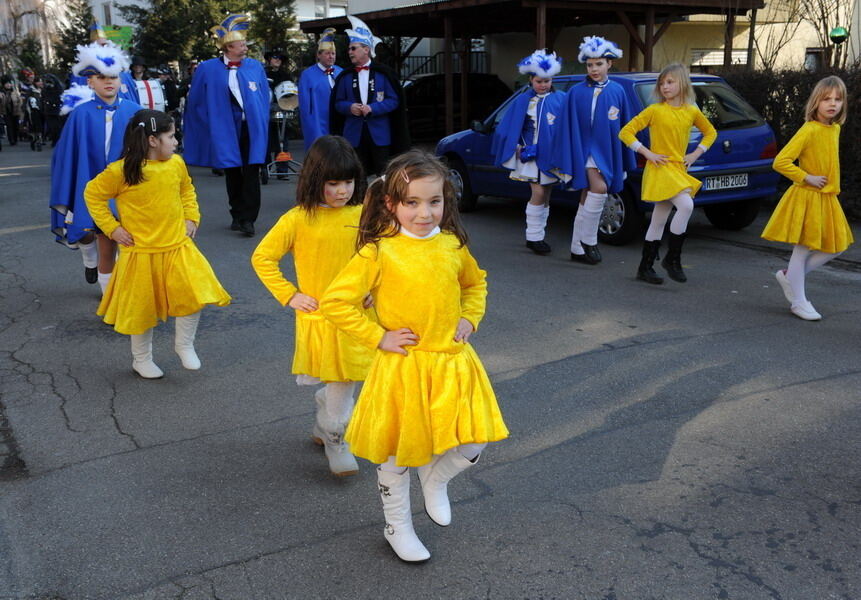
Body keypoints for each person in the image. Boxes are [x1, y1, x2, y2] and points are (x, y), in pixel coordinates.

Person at [320, 149, 509, 563]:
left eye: (434, 201)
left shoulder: (452, 246)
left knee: (475, 440)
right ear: (391, 204)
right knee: (395, 454)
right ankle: (397, 526)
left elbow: (475, 286)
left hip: (453, 362)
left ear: (446, 200)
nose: (425, 213)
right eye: (412, 202)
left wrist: (470, 319)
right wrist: (378, 337)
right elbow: (336, 302)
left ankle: (437, 480)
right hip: (403, 368)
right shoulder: (379, 252)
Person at [251, 135, 373, 476]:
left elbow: (381, 259)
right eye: (333, 183)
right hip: (321, 317)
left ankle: (326, 416)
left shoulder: (365, 214)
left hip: (362, 316)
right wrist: (289, 294)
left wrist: (375, 289)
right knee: (342, 380)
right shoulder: (297, 219)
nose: (342, 191)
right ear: (315, 181)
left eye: (348, 182)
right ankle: (336, 437)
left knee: (349, 379)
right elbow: (263, 258)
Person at [83, 109, 231, 378]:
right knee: (141, 309)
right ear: (152, 140)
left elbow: (187, 189)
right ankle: (141, 359)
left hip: (177, 247)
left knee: (194, 294)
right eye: (171, 136)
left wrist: (191, 218)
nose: (175, 142)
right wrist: (112, 229)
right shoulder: (121, 171)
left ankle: (184, 344)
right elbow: (92, 194)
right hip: (141, 253)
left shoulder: (176, 163)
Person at [50, 42, 142, 293]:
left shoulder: (136, 112)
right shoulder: (80, 114)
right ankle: (91, 263)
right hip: (92, 186)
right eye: (101, 77)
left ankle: (115, 296)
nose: (108, 82)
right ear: (90, 82)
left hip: (126, 188)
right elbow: (67, 154)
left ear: (121, 79)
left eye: (113, 76)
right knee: (92, 236)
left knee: (121, 244)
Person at [761, 76, 853, 320]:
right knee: (801, 250)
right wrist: (806, 177)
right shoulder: (809, 129)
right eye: (826, 99)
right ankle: (798, 302)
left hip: (827, 197)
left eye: (838, 99)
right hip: (807, 196)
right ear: (816, 102)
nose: (832, 104)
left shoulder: (834, 128)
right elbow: (780, 162)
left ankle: (790, 275)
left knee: (837, 246)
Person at [619, 62, 717, 284]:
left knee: (659, 218)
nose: (665, 86)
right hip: (659, 168)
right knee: (686, 205)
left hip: (677, 169)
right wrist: (647, 153)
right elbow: (626, 132)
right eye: (662, 83)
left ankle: (645, 267)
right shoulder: (655, 110)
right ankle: (672, 258)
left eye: (670, 82)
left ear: (682, 83)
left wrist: (694, 155)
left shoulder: (692, 111)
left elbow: (710, 133)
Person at [183, 14, 270, 237]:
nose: (245, 48)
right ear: (228, 47)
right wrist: (205, 127)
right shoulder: (207, 68)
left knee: (252, 171)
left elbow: (263, 96)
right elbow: (197, 101)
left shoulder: (254, 67)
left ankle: (248, 219)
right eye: (241, 45)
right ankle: (237, 214)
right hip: (225, 130)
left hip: (250, 129)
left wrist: (262, 122)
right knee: (232, 172)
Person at [556, 37, 634, 265]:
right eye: (589, 65)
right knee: (599, 189)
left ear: (609, 64)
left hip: (606, 150)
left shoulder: (618, 91)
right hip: (583, 150)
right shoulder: (576, 92)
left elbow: (624, 125)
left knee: (587, 195)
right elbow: (566, 125)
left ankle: (576, 247)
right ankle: (589, 240)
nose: (593, 69)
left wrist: (624, 154)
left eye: (598, 64)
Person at [492, 49, 566, 255]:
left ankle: (539, 235)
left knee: (548, 193)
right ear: (531, 80)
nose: (543, 85)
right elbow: (508, 127)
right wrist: (518, 147)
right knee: (539, 192)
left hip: (551, 155)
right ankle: (533, 237)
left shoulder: (561, 98)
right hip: (531, 155)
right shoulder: (523, 100)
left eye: (547, 81)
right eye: (539, 81)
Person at [330, 15, 410, 176]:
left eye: (353, 48)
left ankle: (382, 202)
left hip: (380, 135)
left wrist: (373, 108)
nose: (349, 52)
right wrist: (350, 107)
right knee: (356, 175)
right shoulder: (345, 76)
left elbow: (394, 101)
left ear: (366, 49)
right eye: (349, 49)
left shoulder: (384, 74)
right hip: (353, 135)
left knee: (384, 176)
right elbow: (337, 103)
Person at [298, 28, 342, 152]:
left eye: (333, 53)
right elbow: (306, 105)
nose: (331, 56)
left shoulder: (340, 72)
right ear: (319, 55)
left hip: (337, 121)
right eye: (327, 53)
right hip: (318, 121)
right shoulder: (308, 75)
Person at [1, 75, 23, 146]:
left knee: (16, 126)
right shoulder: (2, 92)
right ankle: (11, 140)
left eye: (9, 83)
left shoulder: (15, 92)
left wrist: (19, 108)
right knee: (9, 126)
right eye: (7, 83)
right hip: (6, 112)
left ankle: (15, 138)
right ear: (4, 84)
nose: (8, 85)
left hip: (15, 111)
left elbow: (20, 101)